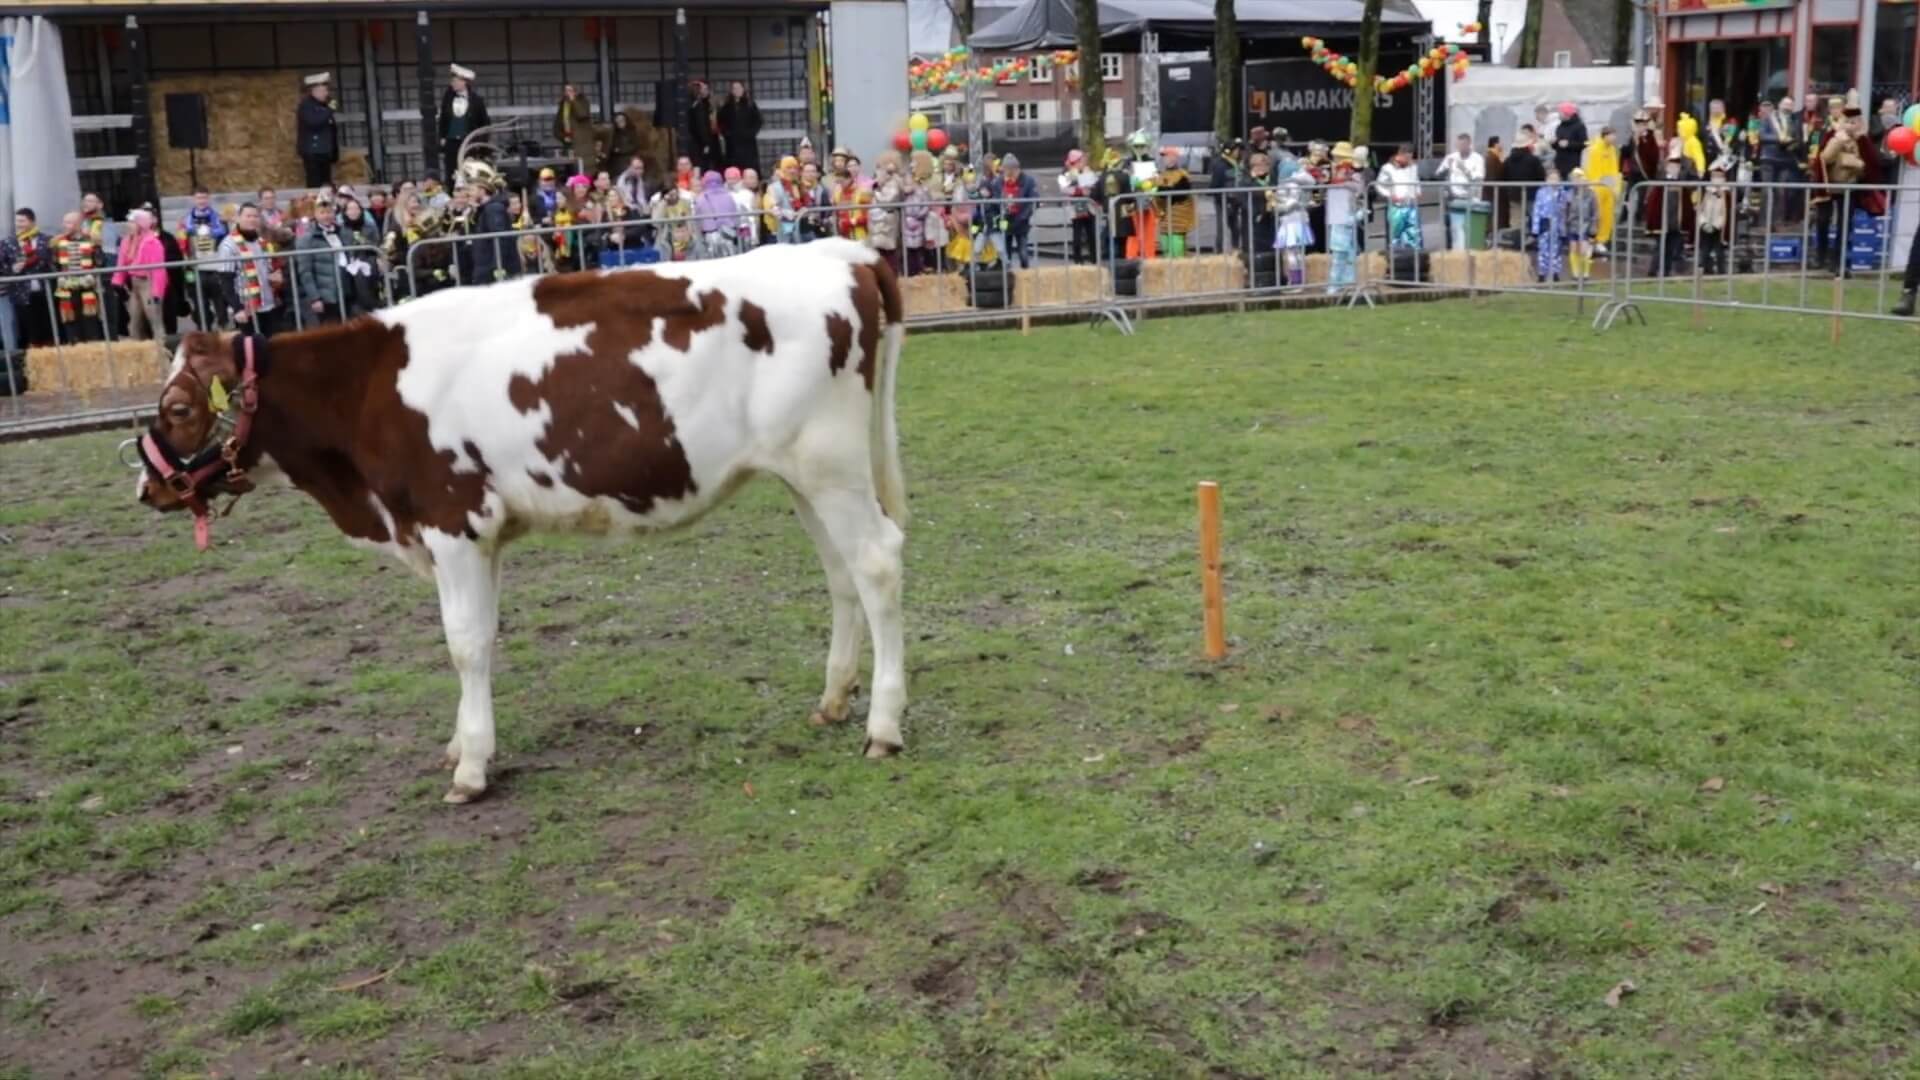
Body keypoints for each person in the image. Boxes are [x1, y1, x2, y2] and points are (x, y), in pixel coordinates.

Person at [112, 208, 170, 343]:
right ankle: (137, 347)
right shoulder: (127, 241)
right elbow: (121, 262)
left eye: (132, 222)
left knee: (154, 318)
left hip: (148, 282)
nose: (128, 225)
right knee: (134, 319)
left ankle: (161, 345)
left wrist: (157, 292)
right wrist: (118, 281)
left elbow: (158, 270)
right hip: (134, 283)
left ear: (141, 224)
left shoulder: (152, 242)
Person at [294, 198, 352, 325]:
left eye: (329, 212)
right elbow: (305, 271)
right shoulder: (307, 239)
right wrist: (315, 298)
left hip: (346, 289)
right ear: (315, 214)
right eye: (322, 212)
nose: (326, 216)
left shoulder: (343, 232)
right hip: (326, 295)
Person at [51, 212, 105, 343]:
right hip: (67, 289)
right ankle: (74, 344)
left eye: (69, 222)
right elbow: (53, 263)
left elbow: (100, 261)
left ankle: (92, 343)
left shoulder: (91, 240)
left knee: (90, 319)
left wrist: (92, 274)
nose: (65, 225)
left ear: (78, 224)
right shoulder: (58, 242)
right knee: (70, 319)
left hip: (87, 287)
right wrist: (59, 276)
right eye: (65, 222)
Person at [439, 64, 491, 181]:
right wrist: (442, 137)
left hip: (468, 142)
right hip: (452, 142)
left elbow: (484, 123)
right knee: (452, 172)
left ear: (463, 82)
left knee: (469, 171)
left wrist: (480, 142)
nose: (452, 84)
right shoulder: (448, 97)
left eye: (455, 81)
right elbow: (443, 118)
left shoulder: (476, 100)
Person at [1324, 142, 1363, 291]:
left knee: (1347, 255)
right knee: (1342, 255)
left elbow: (1357, 188)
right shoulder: (1342, 172)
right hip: (1341, 216)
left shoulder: (1347, 172)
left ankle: (1344, 284)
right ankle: (1337, 285)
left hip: (1344, 213)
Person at [1438, 133, 1485, 251]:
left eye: (1463, 145)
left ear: (1469, 144)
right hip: (1453, 198)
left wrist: (1464, 168)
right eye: (1458, 145)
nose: (1461, 148)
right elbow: (1438, 174)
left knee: (1468, 229)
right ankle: (1451, 251)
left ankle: (1470, 251)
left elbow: (1478, 178)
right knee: (1452, 227)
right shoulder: (1451, 157)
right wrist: (1447, 168)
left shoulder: (1477, 158)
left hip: (1470, 198)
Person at [336, 197, 381, 315]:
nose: (353, 211)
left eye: (356, 208)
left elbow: (377, 244)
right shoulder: (340, 229)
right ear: (345, 212)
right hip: (349, 262)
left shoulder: (370, 226)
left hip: (369, 259)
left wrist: (365, 242)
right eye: (350, 209)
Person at [1581, 127, 1621, 254]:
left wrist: (1616, 187)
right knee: (1594, 216)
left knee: (1607, 216)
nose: (1614, 138)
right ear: (1605, 135)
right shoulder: (1592, 149)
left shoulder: (1612, 150)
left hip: (1608, 187)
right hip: (1595, 186)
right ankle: (1590, 240)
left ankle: (1601, 240)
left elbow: (1614, 169)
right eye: (1612, 135)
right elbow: (1587, 168)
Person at [1376, 144, 1422, 253]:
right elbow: (1379, 185)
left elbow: (1416, 180)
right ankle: (1395, 257)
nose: (1409, 160)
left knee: (1414, 233)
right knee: (1395, 234)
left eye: (1410, 157)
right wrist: (1390, 195)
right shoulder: (1388, 168)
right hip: (1396, 206)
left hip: (1411, 205)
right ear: (1400, 154)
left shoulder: (1413, 167)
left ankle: (1414, 257)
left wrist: (1418, 191)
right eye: (1406, 157)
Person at [296, 72, 339, 189]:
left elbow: (331, 128)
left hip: (324, 151)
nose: (326, 94)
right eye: (324, 91)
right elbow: (314, 122)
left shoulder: (323, 105)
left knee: (326, 183)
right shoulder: (306, 105)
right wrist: (329, 110)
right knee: (315, 183)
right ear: (314, 91)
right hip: (313, 151)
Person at [1152, 145, 1196, 258]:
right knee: (1165, 242)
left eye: (1168, 156)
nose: (1166, 159)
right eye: (1165, 157)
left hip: (1178, 215)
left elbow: (1180, 194)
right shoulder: (1161, 175)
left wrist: (1162, 191)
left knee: (1176, 241)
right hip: (1165, 215)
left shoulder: (1182, 175)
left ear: (1175, 158)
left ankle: (1178, 264)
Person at [1501, 125, 1547, 233]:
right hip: (1531, 194)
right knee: (1534, 218)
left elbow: (1504, 176)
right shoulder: (1533, 160)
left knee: (1516, 222)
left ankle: (1516, 241)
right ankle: (1533, 239)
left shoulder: (1508, 160)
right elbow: (1541, 176)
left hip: (1514, 195)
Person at [1058, 149, 1100, 265]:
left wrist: (1091, 189)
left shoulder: (1087, 170)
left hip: (1089, 203)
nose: (1084, 162)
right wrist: (1079, 190)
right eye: (1081, 160)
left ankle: (1094, 257)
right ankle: (1078, 258)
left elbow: (1094, 184)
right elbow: (1064, 189)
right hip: (1077, 204)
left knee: (1091, 232)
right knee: (1078, 231)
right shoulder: (1067, 173)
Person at [999, 153, 1040, 269]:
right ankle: (1007, 273)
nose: (1008, 173)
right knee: (1005, 251)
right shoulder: (999, 181)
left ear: (1017, 169)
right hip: (1005, 220)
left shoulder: (1028, 181)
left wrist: (1024, 216)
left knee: (1023, 252)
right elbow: (994, 197)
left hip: (1021, 220)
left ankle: (1025, 272)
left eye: (1010, 170)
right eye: (1006, 170)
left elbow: (1035, 200)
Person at [1531, 166, 1571, 282]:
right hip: (1545, 223)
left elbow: (1563, 212)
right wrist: (1535, 228)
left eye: (1556, 178)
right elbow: (1537, 210)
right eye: (1551, 178)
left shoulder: (1562, 193)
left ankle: (1555, 273)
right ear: (1546, 180)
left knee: (1556, 251)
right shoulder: (1541, 192)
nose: (1553, 181)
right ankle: (1542, 274)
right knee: (1543, 250)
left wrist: (1563, 231)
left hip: (1557, 226)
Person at [1697, 160, 1734, 276]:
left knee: (1719, 250)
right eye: (1714, 176)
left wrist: (1716, 225)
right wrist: (1703, 223)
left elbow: (1726, 213)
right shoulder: (1706, 191)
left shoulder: (1726, 194)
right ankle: (1703, 269)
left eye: (1719, 176)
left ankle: (1721, 271)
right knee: (1704, 249)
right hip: (1706, 224)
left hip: (1719, 227)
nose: (1716, 179)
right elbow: (1700, 209)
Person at [717, 80, 762, 174]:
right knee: (734, 167)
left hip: (748, 143)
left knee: (749, 167)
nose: (737, 90)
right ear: (731, 91)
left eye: (739, 88)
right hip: (733, 144)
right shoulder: (726, 106)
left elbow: (758, 121)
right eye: (734, 88)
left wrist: (751, 133)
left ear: (743, 89)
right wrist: (727, 134)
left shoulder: (750, 104)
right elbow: (720, 122)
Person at [694, 169, 741, 259]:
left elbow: (697, 221)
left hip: (710, 235)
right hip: (728, 233)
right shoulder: (728, 196)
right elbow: (735, 217)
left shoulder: (701, 198)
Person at [869, 152, 903, 271]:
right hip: (878, 220)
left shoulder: (894, 182)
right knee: (880, 250)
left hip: (888, 220)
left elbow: (888, 201)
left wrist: (875, 193)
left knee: (888, 251)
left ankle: (891, 274)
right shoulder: (880, 182)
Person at [553, 84, 594, 173]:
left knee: (584, 171)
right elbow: (556, 128)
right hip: (569, 145)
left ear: (576, 92)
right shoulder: (563, 105)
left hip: (583, 145)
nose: (568, 93)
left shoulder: (583, 101)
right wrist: (563, 137)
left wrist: (573, 101)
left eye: (570, 90)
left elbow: (582, 114)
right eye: (566, 91)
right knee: (571, 172)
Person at [687, 80, 722, 172]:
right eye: (702, 89)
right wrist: (706, 143)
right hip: (701, 141)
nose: (704, 91)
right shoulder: (697, 106)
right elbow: (701, 126)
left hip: (711, 138)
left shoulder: (710, 103)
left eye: (706, 89)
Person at [1552, 102, 1587, 179]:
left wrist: (1569, 144)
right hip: (1560, 163)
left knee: (1573, 183)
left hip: (1573, 163)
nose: (1559, 115)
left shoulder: (1579, 126)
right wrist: (1554, 143)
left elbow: (1584, 143)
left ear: (1566, 113)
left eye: (1560, 112)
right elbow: (1557, 143)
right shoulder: (1560, 126)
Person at [602, 111, 641, 178]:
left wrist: (620, 150)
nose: (620, 122)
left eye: (621, 120)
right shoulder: (613, 133)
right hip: (615, 163)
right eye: (617, 121)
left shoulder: (631, 132)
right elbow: (610, 146)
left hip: (628, 160)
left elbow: (635, 145)